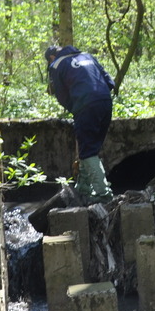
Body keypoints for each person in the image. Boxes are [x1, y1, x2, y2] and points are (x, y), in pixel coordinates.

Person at [45, 45, 115, 201]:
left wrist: (76, 108)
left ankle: (104, 194)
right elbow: (109, 81)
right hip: (105, 102)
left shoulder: (56, 65)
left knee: (88, 151)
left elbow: (62, 96)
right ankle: (83, 187)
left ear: (51, 57)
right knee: (89, 147)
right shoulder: (87, 56)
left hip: (85, 106)